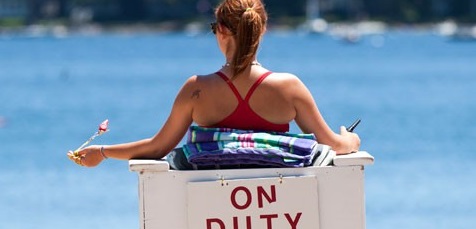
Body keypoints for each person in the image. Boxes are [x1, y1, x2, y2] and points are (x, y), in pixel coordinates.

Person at [69, 0, 360, 168]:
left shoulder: (197, 89)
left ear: (221, 31)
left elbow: (157, 147)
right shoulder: (289, 87)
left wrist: (104, 152)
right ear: (262, 30)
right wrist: (351, 138)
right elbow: (332, 144)